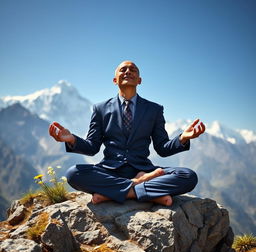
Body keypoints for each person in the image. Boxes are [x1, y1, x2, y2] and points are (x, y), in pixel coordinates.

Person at [49, 61, 205, 206]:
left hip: (142, 169)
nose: (128, 71)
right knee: (73, 173)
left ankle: (111, 193)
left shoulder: (154, 109)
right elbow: (92, 147)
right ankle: (142, 190)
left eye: (133, 70)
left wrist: (183, 138)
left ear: (139, 80)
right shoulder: (100, 109)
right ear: (115, 80)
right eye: (123, 69)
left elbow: (162, 148)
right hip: (110, 170)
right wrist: (71, 139)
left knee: (188, 175)